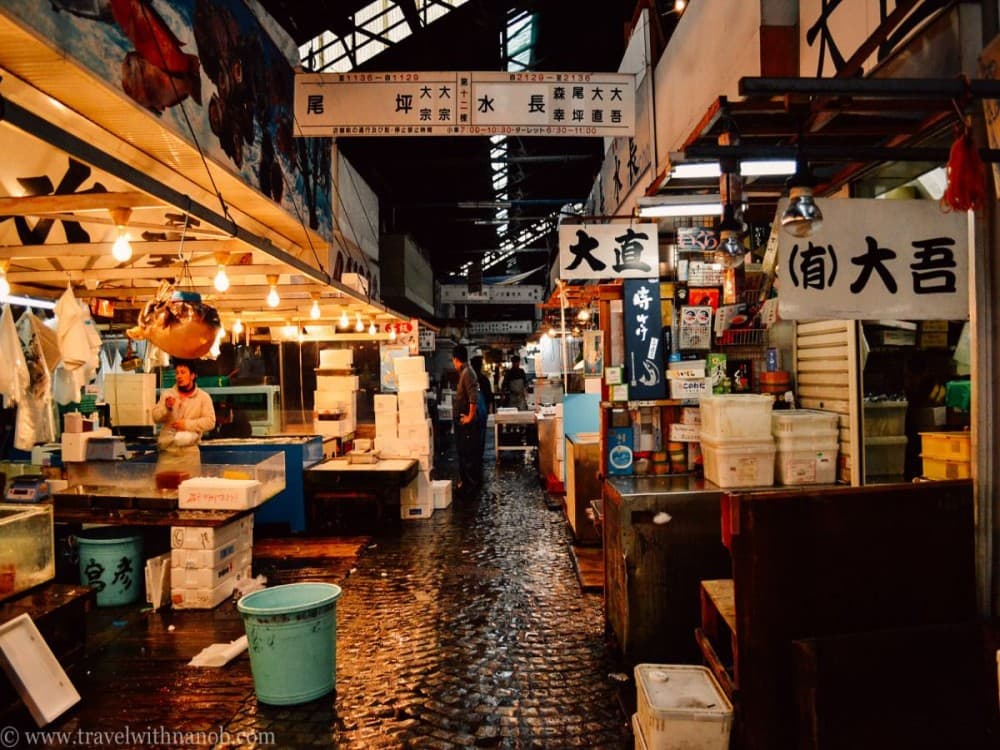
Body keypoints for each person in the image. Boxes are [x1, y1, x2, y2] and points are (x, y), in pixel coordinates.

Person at [151, 361, 216, 477]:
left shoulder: (203, 397)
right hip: (167, 454)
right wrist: (167, 408)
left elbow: (210, 421)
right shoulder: (167, 394)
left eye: (183, 372)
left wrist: (186, 425)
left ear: (192, 375)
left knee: (189, 491)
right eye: (177, 373)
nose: (179, 376)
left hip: (189, 455)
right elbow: (155, 417)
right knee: (163, 490)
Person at [451, 344, 481, 499]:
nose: (453, 364)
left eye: (453, 361)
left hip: (466, 423)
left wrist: (469, 416)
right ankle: (465, 484)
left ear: (456, 359)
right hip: (462, 422)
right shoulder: (465, 372)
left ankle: (470, 488)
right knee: (463, 454)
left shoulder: (467, 373)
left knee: (467, 455)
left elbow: (473, 397)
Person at [471, 355, 492, 458]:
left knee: (472, 434)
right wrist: (489, 408)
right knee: (481, 433)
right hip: (483, 412)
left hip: (472, 411)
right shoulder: (484, 379)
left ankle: (474, 454)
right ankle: (479, 454)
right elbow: (489, 396)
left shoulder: (469, 379)